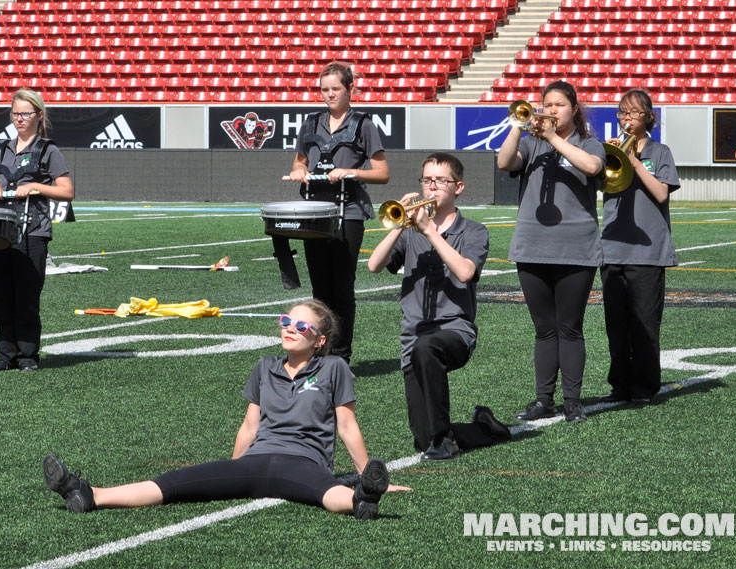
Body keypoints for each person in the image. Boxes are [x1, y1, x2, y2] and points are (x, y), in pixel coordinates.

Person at [44, 300, 410, 519]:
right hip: (254, 462)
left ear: (320, 339)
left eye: (301, 326)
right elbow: (250, 426)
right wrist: (234, 468)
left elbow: (347, 427)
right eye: (286, 322)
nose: (290, 329)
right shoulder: (264, 367)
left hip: (303, 463)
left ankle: (364, 497)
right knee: (175, 483)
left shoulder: (334, 369)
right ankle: (88, 493)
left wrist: (371, 475)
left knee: (327, 495)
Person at [367, 153, 510, 461]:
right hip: (413, 337)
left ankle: (444, 439)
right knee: (423, 438)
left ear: (457, 187)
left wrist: (429, 230)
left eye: (440, 181)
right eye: (426, 180)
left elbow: (465, 273)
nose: (431, 187)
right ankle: (484, 429)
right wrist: (400, 223)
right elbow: (374, 265)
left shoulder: (474, 231)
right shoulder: (410, 230)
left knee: (427, 348)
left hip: (454, 332)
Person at [497, 81, 606, 423]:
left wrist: (554, 139)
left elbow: (591, 168)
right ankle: (544, 398)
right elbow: (504, 162)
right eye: (547, 104)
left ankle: (572, 400)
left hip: (576, 249)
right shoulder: (530, 144)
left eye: (560, 105)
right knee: (544, 328)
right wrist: (518, 124)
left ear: (574, 109)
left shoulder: (589, 143)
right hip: (533, 247)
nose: (552, 110)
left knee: (569, 327)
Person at [288, 61, 390, 365]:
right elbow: (299, 162)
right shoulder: (310, 123)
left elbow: (383, 173)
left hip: (350, 214)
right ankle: (320, 352)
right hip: (315, 214)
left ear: (350, 90)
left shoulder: (364, 124)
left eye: (336, 89)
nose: (329, 95)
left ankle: (342, 358)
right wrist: (299, 171)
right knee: (320, 288)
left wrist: (350, 172)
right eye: (324, 90)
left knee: (342, 289)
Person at [0, 89, 73, 372]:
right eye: (16, 114)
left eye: (26, 114)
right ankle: (5, 355)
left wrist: (36, 186)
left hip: (33, 232)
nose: (20, 119)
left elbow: (67, 191)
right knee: (2, 297)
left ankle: (28, 356)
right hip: (0, 232)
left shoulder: (48, 150)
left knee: (27, 298)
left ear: (39, 116)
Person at [600, 89, 680, 404]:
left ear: (648, 117)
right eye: (622, 112)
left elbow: (661, 194)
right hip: (612, 248)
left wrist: (632, 160)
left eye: (633, 113)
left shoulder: (660, 152)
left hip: (648, 252)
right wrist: (616, 155)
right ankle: (620, 385)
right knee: (616, 324)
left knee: (645, 323)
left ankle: (645, 386)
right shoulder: (609, 151)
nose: (627, 118)